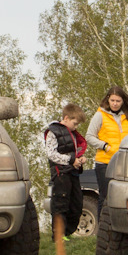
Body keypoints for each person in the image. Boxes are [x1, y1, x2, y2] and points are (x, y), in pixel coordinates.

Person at [41, 102, 88, 239]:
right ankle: (58, 236)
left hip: (72, 172)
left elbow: (74, 153)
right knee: (61, 204)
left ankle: (67, 233)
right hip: (60, 173)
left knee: (76, 205)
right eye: (75, 123)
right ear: (66, 118)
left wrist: (80, 159)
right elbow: (51, 154)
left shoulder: (72, 133)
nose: (76, 127)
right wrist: (70, 160)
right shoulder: (52, 131)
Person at [85, 87, 128, 206]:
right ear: (108, 99)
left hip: (123, 163)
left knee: (123, 198)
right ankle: (103, 224)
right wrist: (105, 146)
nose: (115, 104)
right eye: (112, 100)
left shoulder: (127, 116)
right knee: (106, 197)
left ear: (123, 101)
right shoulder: (100, 115)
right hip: (105, 163)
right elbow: (89, 136)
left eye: (118, 101)